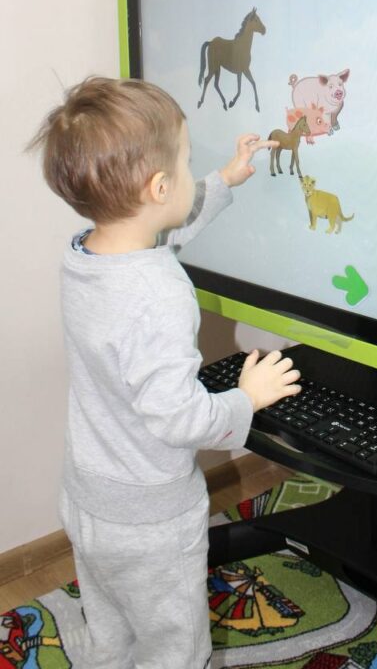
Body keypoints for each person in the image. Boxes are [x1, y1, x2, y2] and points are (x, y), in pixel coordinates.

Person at [28, 75, 300, 669]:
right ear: (157, 186)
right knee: (174, 643)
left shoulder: (86, 255)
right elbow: (181, 420)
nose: (188, 171)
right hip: (150, 522)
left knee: (110, 619)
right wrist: (247, 397)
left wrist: (222, 180)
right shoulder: (158, 295)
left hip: (89, 499)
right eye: (185, 162)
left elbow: (164, 226)